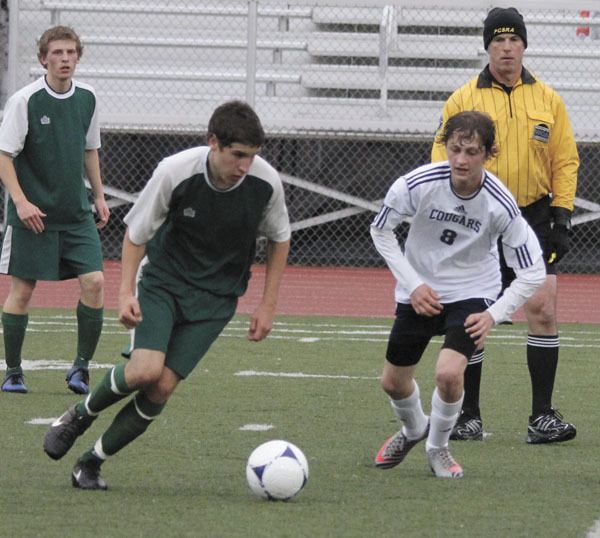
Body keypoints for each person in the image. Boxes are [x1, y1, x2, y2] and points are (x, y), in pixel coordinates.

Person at [43, 100, 291, 490]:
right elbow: (136, 234)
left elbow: (280, 238)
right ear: (213, 142)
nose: (245, 166)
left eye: (252, 156)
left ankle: (90, 462)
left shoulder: (265, 183)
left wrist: (267, 304)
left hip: (217, 299)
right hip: (163, 282)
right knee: (144, 369)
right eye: (237, 155)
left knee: (161, 386)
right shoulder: (175, 172)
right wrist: (125, 293)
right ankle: (79, 414)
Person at [431, 7, 578, 444]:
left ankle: (541, 418)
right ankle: (468, 416)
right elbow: (442, 158)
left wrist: (562, 216)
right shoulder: (462, 99)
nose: (507, 47)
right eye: (498, 40)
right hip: (478, 216)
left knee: (544, 309)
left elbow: (565, 160)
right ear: (487, 46)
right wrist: (448, 213)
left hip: (532, 214)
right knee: (473, 315)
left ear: (525, 45)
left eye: (514, 40)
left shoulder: (548, 100)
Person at [372, 111, 545, 478]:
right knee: (393, 382)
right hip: (421, 289)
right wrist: (413, 283)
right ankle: (414, 429)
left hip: (472, 291)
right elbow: (380, 231)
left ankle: (437, 448)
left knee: (449, 374)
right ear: (445, 147)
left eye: (471, 151)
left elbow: (533, 271)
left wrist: (493, 314)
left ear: (487, 154)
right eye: (455, 149)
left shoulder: (501, 203)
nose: (461, 160)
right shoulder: (416, 184)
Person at [0, 26, 110, 394]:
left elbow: (89, 149)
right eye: (57, 52)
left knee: (95, 282)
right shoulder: (25, 100)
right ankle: (13, 371)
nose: (65, 59)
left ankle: (80, 369)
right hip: (32, 217)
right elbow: (4, 156)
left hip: (76, 214)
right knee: (23, 291)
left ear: (79, 57)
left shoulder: (89, 98)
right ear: (43, 58)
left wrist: (98, 195)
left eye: (71, 52)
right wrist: (20, 200)